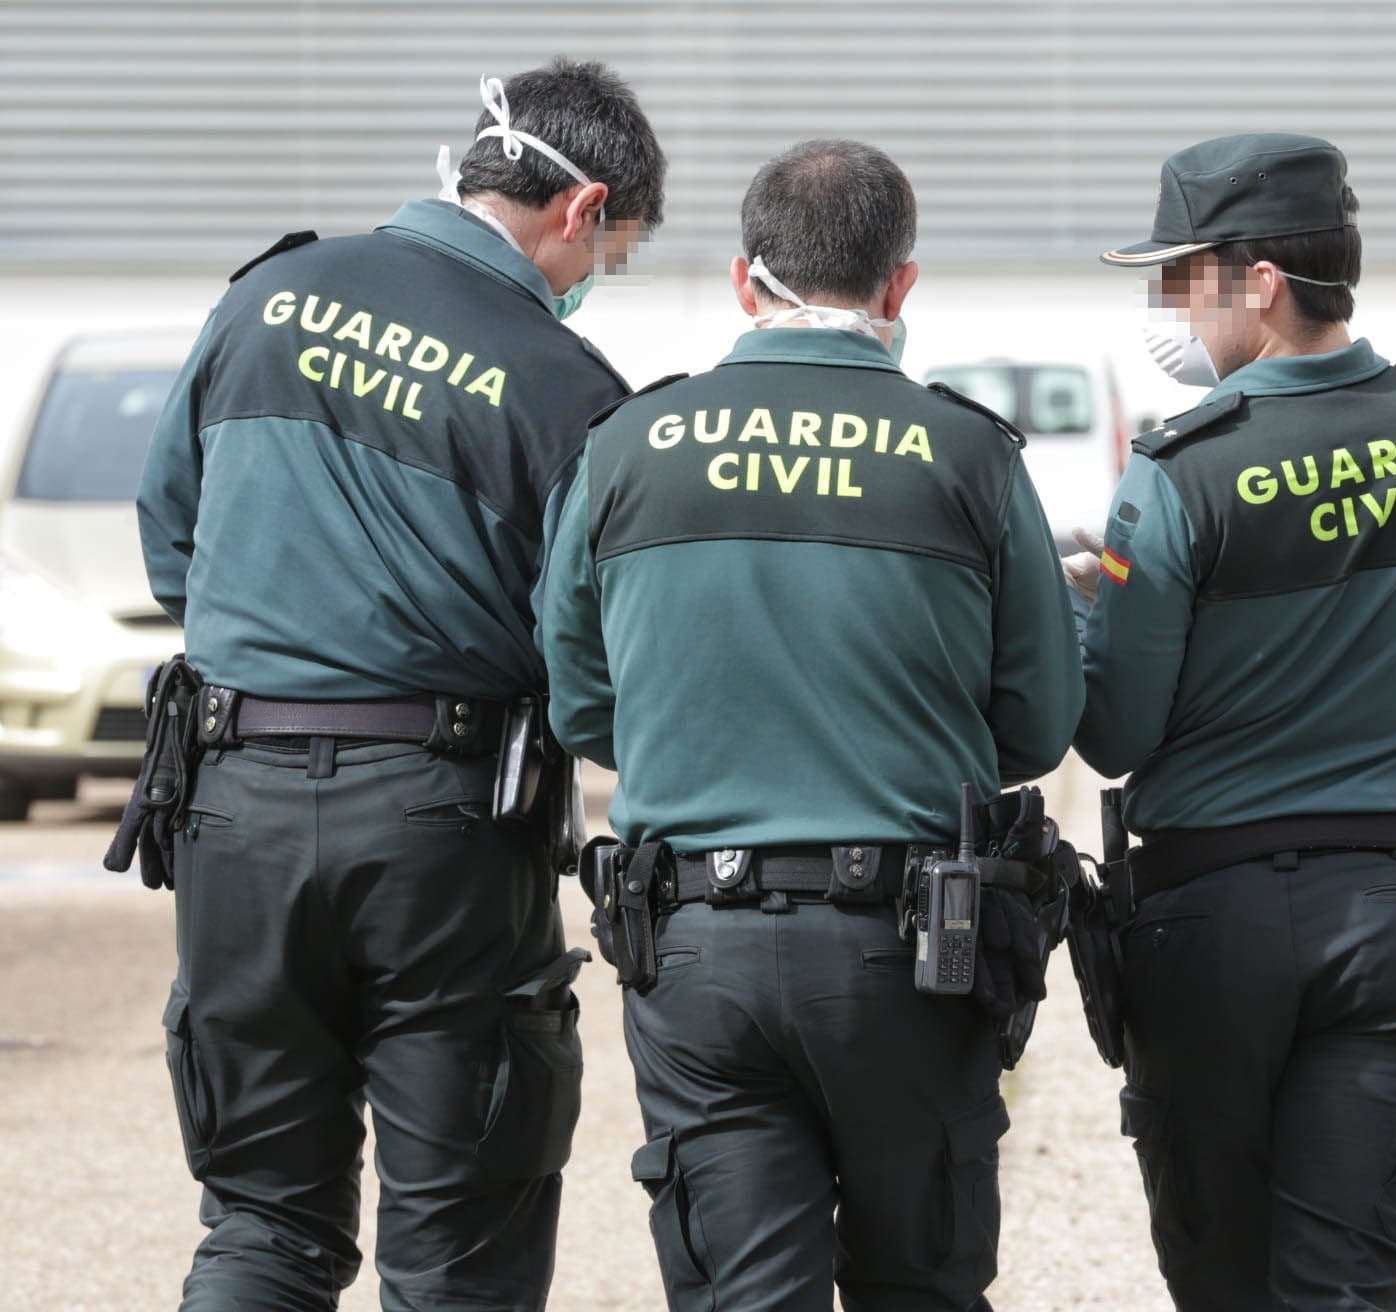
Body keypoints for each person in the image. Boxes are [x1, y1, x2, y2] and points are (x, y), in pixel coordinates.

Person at [133, 59, 664, 1311]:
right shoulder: (565, 389)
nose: (598, 279)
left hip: (230, 804)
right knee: (458, 1252)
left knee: (263, 1222)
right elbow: (589, 657)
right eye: (616, 249)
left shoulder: (269, 294)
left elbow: (173, 552)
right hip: (443, 828)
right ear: (582, 208)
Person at [540, 138, 1083, 1312]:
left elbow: (584, 702)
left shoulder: (625, 446)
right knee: (919, 1287)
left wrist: (713, 743)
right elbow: (1038, 719)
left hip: (696, 947)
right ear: (900, 288)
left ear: (746, 280)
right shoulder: (968, 453)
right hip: (909, 950)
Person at [1070, 134, 1396, 1310]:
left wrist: (1087, 607)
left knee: (1225, 1280)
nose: (1168, 306)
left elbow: (1113, 731)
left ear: (1257, 281)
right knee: (1352, 1283)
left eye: (1181, 276)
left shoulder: (1178, 472)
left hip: (1212, 927)